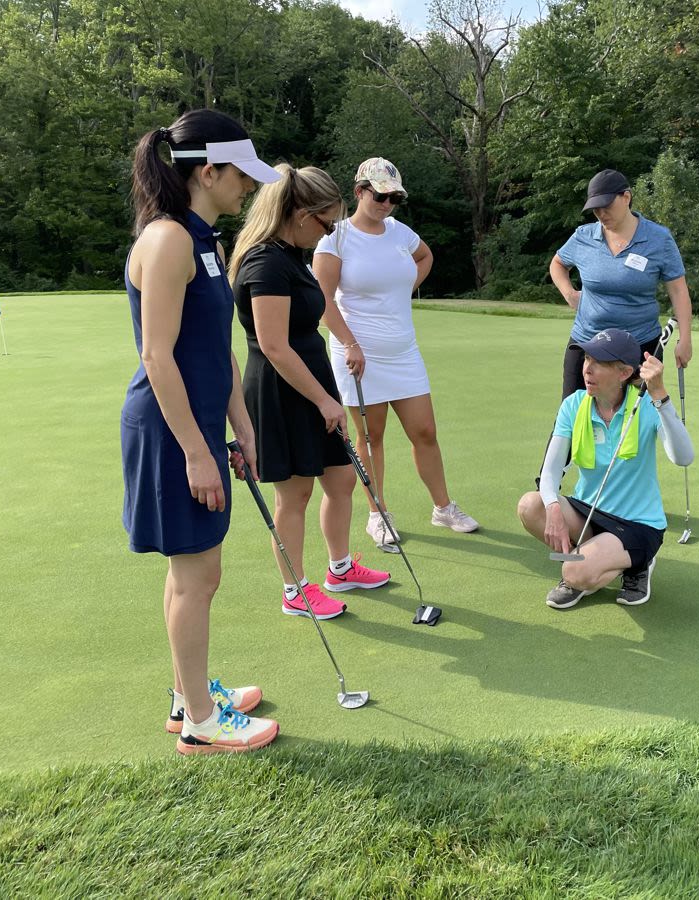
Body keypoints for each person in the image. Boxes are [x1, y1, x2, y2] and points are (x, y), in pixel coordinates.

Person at [122, 109, 282, 755]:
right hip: (169, 430)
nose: (248, 186)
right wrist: (197, 452)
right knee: (198, 576)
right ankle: (201, 723)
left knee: (193, 572)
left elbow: (220, 349)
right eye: (240, 174)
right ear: (207, 170)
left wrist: (239, 428)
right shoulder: (167, 241)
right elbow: (156, 358)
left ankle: (187, 694)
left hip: (198, 426)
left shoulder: (206, 241)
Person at [229, 163, 390, 622]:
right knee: (294, 495)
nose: (330, 233)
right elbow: (274, 346)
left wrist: (327, 390)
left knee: (339, 480)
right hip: (282, 393)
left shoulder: (291, 256)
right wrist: (323, 399)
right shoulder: (265, 262)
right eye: (327, 223)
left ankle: (339, 569)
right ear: (300, 214)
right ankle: (295, 590)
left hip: (313, 383)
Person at [313, 157, 479, 548]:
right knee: (371, 437)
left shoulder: (400, 232)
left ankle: (443, 507)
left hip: (403, 350)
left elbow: (426, 256)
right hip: (357, 354)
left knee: (425, 431)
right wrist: (350, 343)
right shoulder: (334, 238)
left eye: (395, 198)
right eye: (380, 196)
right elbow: (321, 299)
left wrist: (404, 289)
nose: (387, 204)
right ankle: (378, 513)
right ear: (359, 192)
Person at [517, 328, 694, 609]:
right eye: (587, 359)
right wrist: (552, 507)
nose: (587, 369)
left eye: (598, 363)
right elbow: (550, 472)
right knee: (530, 505)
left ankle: (634, 564)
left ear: (623, 373)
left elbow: (683, 457)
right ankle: (594, 563)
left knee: (573, 571)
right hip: (588, 515)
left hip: (638, 524)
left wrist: (660, 395)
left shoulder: (647, 404)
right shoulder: (573, 405)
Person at [548, 169, 694, 399]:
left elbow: (678, 290)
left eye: (606, 205)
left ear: (626, 197)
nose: (601, 214)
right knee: (572, 418)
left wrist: (685, 339)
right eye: (595, 209)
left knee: (638, 422)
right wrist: (569, 294)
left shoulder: (658, 239)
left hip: (641, 345)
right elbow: (557, 264)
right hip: (587, 343)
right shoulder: (584, 236)